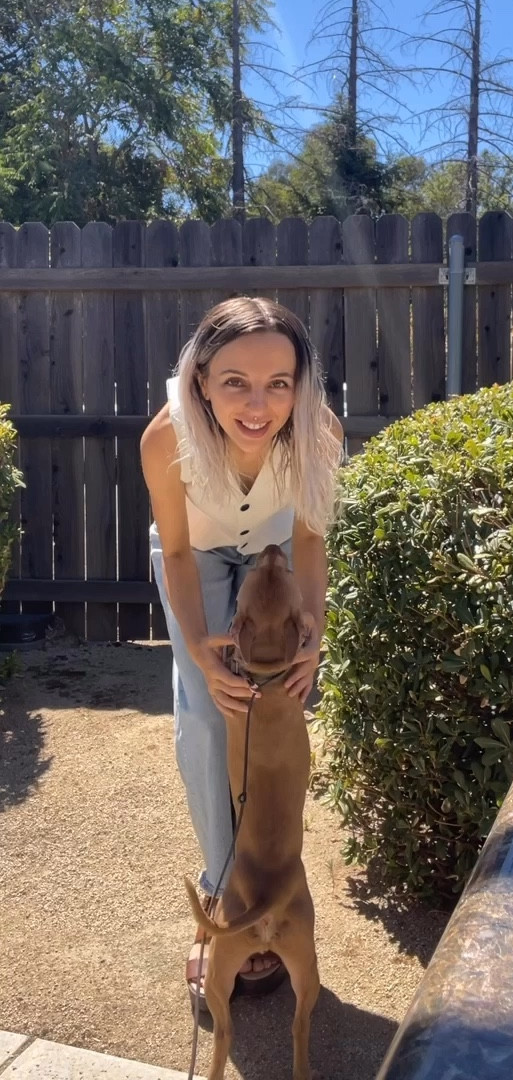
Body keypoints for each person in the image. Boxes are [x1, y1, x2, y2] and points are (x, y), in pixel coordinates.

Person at [140, 295, 344, 1010]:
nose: (259, 405)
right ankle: (223, 892)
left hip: (278, 556)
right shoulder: (165, 438)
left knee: (278, 704)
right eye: (236, 382)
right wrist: (198, 646)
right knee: (207, 712)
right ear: (201, 379)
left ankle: (276, 885)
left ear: (299, 383)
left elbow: (311, 539)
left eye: (278, 384)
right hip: (195, 554)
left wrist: (313, 626)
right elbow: (175, 552)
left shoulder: (318, 433)